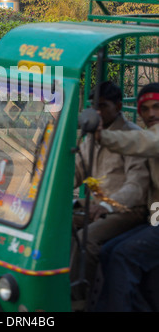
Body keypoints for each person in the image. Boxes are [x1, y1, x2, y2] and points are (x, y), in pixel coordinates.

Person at [70, 81, 150, 308]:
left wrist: (106, 207)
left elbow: (136, 186)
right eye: (93, 107)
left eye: (103, 106)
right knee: (57, 220)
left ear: (118, 106)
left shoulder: (132, 137)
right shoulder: (91, 138)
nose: (97, 113)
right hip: (96, 203)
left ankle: (78, 301)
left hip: (127, 209)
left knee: (89, 239)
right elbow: (76, 170)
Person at [95, 82, 159, 312]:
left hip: (150, 218)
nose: (151, 114)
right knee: (108, 250)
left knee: (123, 254)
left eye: (157, 107)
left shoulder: (146, 136)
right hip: (154, 218)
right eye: (145, 109)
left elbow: (141, 141)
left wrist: (104, 137)